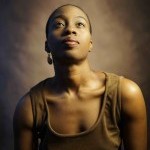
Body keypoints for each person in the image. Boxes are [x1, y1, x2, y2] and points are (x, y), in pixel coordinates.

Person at [13, 4, 147, 150]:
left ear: (90, 43)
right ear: (47, 45)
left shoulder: (126, 94)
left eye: (80, 24)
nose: (70, 29)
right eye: (59, 24)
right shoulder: (28, 108)